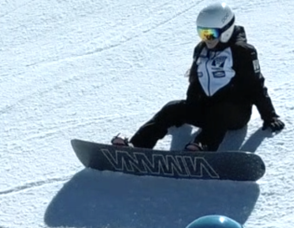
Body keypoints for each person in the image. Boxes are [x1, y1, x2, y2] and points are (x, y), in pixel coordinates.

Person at [112, 3, 285, 152]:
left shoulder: (243, 52)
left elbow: (256, 86)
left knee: (221, 111)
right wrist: (189, 108)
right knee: (172, 108)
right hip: (206, 108)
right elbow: (195, 80)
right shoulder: (201, 49)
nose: (206, 39)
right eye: (202, 33)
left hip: (235, 113)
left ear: (226, 30)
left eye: (211, 34)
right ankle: (136, 146)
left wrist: (269, 116)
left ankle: (202, 147)